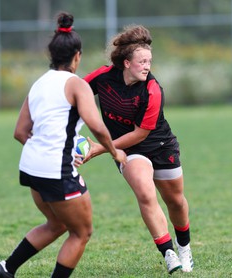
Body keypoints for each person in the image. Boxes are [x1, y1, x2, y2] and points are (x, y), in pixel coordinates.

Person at [0, 12, 126, 278]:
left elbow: (20, 132)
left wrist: (46, 148)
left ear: (52, 55)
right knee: (82, 232)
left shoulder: (39, 84)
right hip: (56, 169)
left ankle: (6, 268)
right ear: (78, 56)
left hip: (31, 166)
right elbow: (97, 126)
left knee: (57, 223)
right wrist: (115, 152)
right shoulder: (77, 84)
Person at [83, 25, 194, 274]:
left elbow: (141, 133)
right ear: (126, 62)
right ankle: (168, 253)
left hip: (159, 144)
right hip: (130, 150)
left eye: (150, 61)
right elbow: (76, 92)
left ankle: (184, 247)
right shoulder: (102, 78)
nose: (147, 66)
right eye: (142, 61)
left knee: (175, 201)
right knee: (145, 193)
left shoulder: (153, 90)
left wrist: (101, 148)